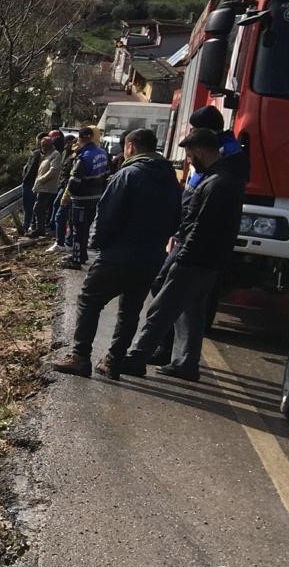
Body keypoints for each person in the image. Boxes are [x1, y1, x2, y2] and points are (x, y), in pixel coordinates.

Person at [52, 129, 182, 379]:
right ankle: (113, 361)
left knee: (90, 301)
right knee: (130, 310)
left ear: (131, 146)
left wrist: (97, 244)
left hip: (118, 255)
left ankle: (80, 357)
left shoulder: (127, 175)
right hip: (151, 257)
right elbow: (176, 220)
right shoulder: (170, 180)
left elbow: (107, 215)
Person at [122, 127, 248, 381]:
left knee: (162, 307)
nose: (189, 161)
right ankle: (186, 363)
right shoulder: (224, 179)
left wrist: (181, 257)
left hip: (195, 258)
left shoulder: (217, 184)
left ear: (201, 151)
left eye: (191, 155)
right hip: (210, 260)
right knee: (192, 312)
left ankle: (137, 358)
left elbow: (201, 226)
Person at [60, 127, 111, 269]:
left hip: (81, 200)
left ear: (81, 139)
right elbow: (107, 174)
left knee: (77, 230)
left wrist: (66, 197)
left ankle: (76, 260)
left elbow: (75, 181)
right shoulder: (102, 153)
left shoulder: (84, 157)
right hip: (96, 198)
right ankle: (82, 254)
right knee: (85, 229)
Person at [30, 133, 66, 238]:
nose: (43, 148)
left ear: (49, 145)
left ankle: (40, 229)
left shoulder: (55, 154)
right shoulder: (45, 155)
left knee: (38, 208)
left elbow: (53, 170)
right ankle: (39, 228)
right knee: (38, 208)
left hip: (47, 187)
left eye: (45, 145)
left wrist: (41, 179)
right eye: (42, 145)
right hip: (41, 186)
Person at [19, 134, 45, 235]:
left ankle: (26, 226)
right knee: (32, 206)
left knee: (28, 207)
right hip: (35, 184)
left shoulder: (37, 154)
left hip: (30, 184)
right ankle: (30, 225)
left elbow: (31, 169)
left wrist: (25, 179)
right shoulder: (44, 154)